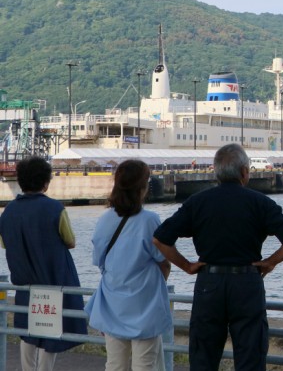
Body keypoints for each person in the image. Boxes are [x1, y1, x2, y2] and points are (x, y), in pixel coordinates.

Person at [153, 143, 283, 371]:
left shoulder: (198, 202)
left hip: (209, 282)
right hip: (246, 281)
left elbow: (160, 239)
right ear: (244, 172)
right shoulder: (259, 202)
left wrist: (187, 266)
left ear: (216, 172)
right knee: (250, 355)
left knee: (203, 356)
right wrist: (270, 262)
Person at [0, 157, 87, 371]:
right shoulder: (54, 209)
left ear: (21, 181)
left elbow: (5, 244)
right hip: (51, 283)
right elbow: (70, 241)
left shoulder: (8, 213)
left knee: (26, 331)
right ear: (46, 182)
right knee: (50, 332)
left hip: (24, 285)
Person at [85, 160, 172, 371]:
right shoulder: (149, 220)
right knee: (145, 364)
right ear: (143, 188)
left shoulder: (104, 220)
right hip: (145, 305)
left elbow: (100, 262)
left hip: (113, 302)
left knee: (115, 365)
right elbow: (164, 262)